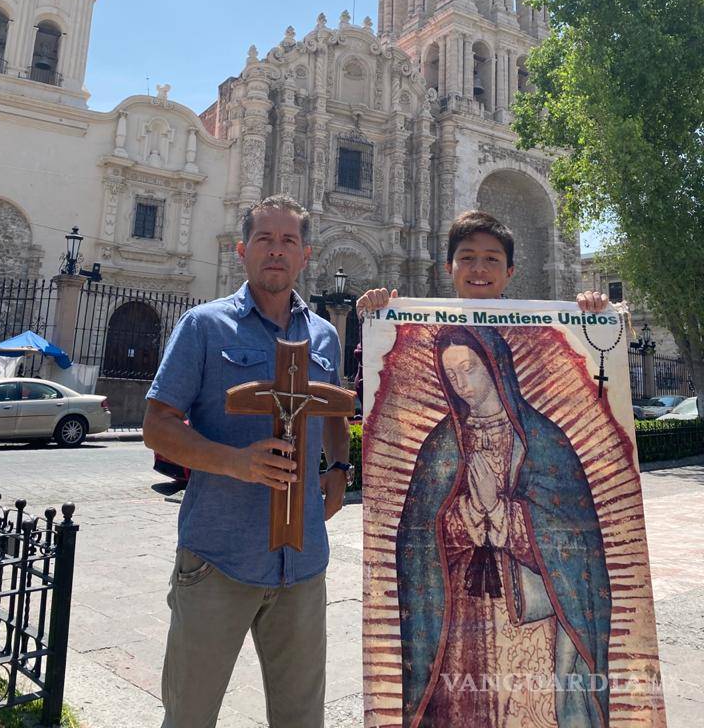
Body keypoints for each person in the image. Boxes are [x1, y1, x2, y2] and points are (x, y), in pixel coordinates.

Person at [143, 195, 351, 728]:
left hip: (302, 562)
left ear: (306, 254)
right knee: (190, 713)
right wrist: (237, 462)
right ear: (243, 251)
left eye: (288, 241)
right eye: (264, 239)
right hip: (219, 557)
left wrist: (337, 467)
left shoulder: (323, 334)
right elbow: (157, 426)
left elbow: (333, 405)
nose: (276, 251)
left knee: (302, 717)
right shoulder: (204, 327)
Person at [397, 324, 610, 728]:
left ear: (496, 366)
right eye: (452, 375)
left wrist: (501, 513)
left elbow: (576, 538)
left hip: (532, 622)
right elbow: (416, 538)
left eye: (469, 368)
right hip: (462, 621)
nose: (461, 384)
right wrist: (465, 518)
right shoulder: (442, 443)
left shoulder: (543, 440)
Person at [357, 209, 608, 316]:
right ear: (448, 267)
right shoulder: (419, 321)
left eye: (492, 258)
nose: (479, 269)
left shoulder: (537, 326)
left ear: (510, 270)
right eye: (466, 257)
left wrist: (592, 318)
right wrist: (376, 323)